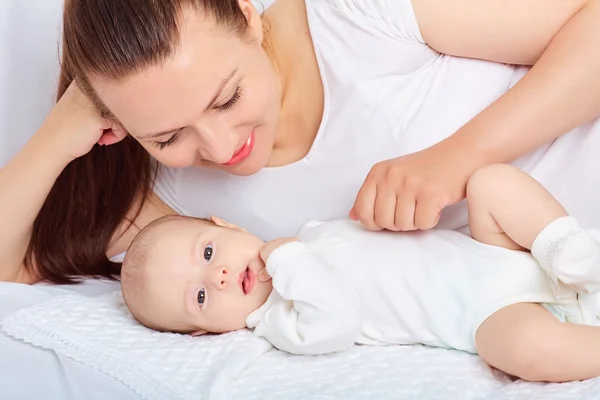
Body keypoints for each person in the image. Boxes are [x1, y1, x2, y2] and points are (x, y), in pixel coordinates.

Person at [2, 0, 600, 284]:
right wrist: (65, 126)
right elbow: (15, 269)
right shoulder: (167, 193)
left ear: (247, 15)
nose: (217, 147)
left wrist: (458, 159)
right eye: (169, 135)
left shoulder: (359, 14)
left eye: (226, 98)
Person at [120, 164, 600, 383]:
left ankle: (569, 249)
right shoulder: (281, 321)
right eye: (200, 297)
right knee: (520, 351)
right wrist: (286, 261)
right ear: (205, 332)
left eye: (208, 254)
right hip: (487, 314)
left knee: (490, 183)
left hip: (495, 251)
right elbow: (339, 321)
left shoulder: (309, 232)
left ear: (225, 226)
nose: (219, 277)